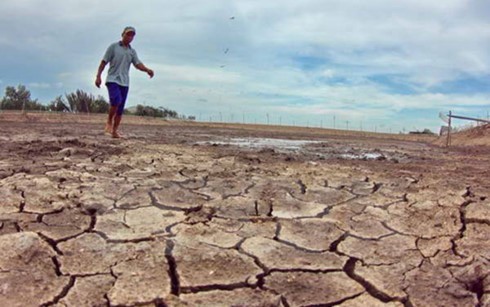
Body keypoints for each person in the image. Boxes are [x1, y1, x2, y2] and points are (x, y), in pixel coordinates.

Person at [95, 26, 154, 138]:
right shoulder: (113, 47)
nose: (130, 37)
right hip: (112, 79)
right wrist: (98, 76)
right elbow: (104, 62)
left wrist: (147, 70)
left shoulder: (132, 52)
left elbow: (137, 64)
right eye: (128, 34)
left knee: (120, 108)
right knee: (116, 100)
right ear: (122, 34)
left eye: (132, 35)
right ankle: (109, 122)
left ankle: (115, 131)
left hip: (125, 82)